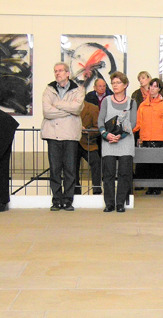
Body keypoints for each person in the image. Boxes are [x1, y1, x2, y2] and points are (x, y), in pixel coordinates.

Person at [41, 62, 84, 211]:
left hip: (70, 135)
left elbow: (77, 108)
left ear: (67, 73)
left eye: (60, 71)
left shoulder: (78, 89)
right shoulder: (49, 89)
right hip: (53, 135)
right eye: (55, 71)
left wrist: (57, 104)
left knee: (70, 170)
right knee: (55, 169)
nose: (57, 73)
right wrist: (68, 108)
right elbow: (47, 112)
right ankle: (56, 200)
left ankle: (68, 200)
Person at [99, 71, 137, 212]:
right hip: (108, 141)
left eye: (118, 82)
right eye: (113, 83)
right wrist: (105, 134)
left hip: (125, 142)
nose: (115, 85)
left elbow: (132, 123)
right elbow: (100, 120)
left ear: (125, 84)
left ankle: (120, 203)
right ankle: (109, 203)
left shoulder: (132, 102)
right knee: (108, 173)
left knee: (124, 173)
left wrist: (119, 137)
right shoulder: (106, 101)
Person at [133, 78, 163, 195]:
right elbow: (138, 123)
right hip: (145, 139)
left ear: (159, 89)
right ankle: (147, 187)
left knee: (157, 166)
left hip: (159, 139)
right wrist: (128, 131)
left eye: (155, 86)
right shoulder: (142, 105)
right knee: (145, 165)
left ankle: (156, 188)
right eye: (151, 86)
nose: (152, 88)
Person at [75, 100, 102, 195]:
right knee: (72, 166)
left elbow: (98, 128)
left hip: (88, 142)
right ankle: (75, 190)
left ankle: (97, 189)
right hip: (73, 143)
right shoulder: (69, 108)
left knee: (96, 163)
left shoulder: (93, 108)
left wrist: (87, 130)